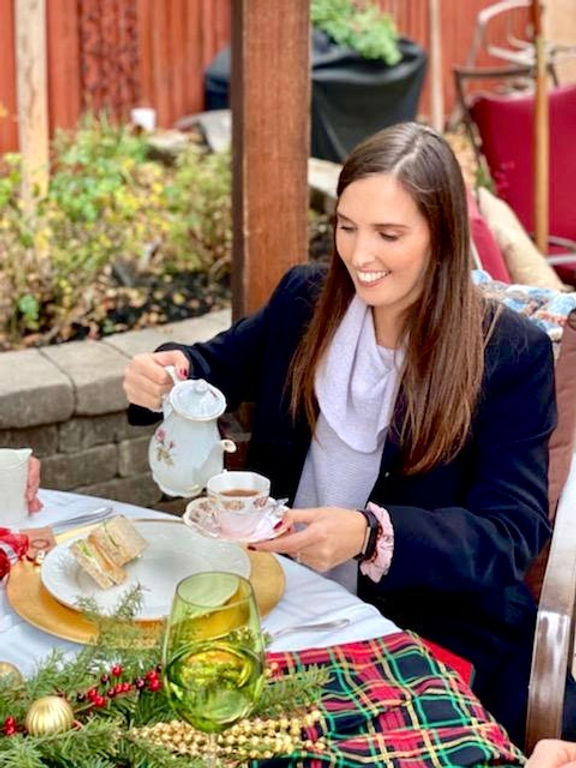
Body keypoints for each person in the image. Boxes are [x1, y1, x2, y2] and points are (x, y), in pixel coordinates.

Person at [123, 122, 575, 745]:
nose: (360, 256)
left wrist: (371, 535)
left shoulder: (506, 352)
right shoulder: (305, 301)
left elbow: (511, 532)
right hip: (280, 593)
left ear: (441, 237)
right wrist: (166, 372)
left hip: (428, 622)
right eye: (346, 226)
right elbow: (210, 367)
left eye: (389, 235)